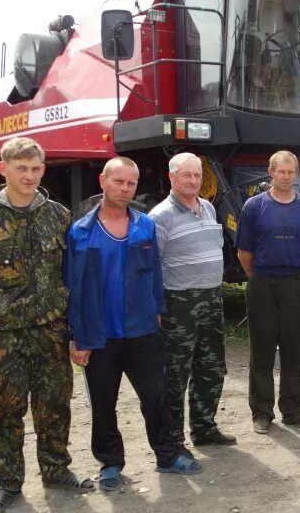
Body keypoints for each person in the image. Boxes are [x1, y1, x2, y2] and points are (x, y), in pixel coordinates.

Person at [0, 137, 92, 513]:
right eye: (22, 169)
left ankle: (55, 469)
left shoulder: (59, 215)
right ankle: (7, 483)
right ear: (4, 169)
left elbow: (72, 273)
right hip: (6, 335)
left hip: (51, 330)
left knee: (54, 405)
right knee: (5, 410)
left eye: (36, 169)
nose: (29, 176)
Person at [64, 156, 201, 491]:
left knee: (156, 397)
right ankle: (110, 463)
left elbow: (155, 273)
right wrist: (76, 337)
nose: (124, 189)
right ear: (103, 181)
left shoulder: (144, 226)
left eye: (131, 184)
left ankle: (166, 455)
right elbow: (72, 288)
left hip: (142, 331)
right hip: (99, 334)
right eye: (118, 182)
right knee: (104, 402)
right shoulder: (80, 233)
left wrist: (155, 310)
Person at [235, 150, 300, 434]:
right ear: (271, 172)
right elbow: (244, 252)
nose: (286, 177)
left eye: (291, 172)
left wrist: (293, 271)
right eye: (281, 171)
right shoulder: (254, 206)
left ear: (295, 173)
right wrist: (260, 276)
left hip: (294, 283)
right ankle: (262, 412)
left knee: (293, 349)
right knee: (261, 350)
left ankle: (293, 408)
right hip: (262, 282)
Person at [149, 153, 236, 454]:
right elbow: (151, 267)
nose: (193, 181)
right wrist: (158, 308)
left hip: (212, 299)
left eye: (197, 175)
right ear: (172, 177)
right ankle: (173, 440)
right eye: (186, 175)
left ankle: (204, 427)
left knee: (211, 367)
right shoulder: (160, 217)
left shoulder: (209, 208)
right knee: (175, 373)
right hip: (179, 303)